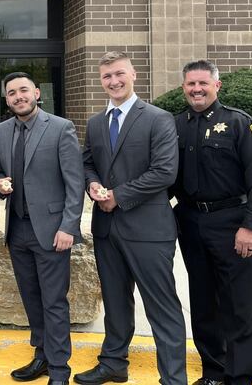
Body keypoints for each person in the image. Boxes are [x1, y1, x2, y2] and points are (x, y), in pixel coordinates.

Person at [74, 52, 187, 385]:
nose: (114, 81)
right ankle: (113, 363)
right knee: (115, 300)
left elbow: (165, 171)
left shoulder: (157, 118)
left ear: (133, 75)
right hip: (107, 230)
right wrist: (93, 184)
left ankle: (173, 378)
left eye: (119, 74)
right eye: (107, 76)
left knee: (161, 306)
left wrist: (118, 197)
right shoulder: (96, 122)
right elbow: (87, 163)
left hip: (148, 229)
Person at [171, 60, 252, 385]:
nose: (196, 89)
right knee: (203, 303)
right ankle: (214, 372)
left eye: (203, 83)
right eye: (191, 84)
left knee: (238, 304)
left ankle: (243, 376)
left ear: (217, 86)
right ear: (184, 87)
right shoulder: (176, 125)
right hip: (190, 222)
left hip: (232, 224)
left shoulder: (240, 124)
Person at [0, 73, 84, 385]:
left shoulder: (60, 128)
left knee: (54, 302)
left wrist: (69, 226)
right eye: (12, 93)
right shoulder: (2, 131)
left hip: (52, 230)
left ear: (36, 93)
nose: (18, 96)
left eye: (23, 90)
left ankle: (59, 370)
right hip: (17, 229)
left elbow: (75, 183)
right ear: (7, 99)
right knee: (31, 298)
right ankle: (42, 356)